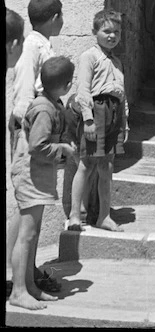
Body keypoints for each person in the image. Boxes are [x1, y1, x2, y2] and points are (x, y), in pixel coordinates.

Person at [7, 0, 64, 296]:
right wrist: (33, 131)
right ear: (55, 17)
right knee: (28, 208)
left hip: (37, 132)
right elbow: (23, 94)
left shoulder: (41, 43)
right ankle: (19, 282)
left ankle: (24, 277)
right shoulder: (31, 46)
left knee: (30, 209)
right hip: (30, 134)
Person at [9, 56, 77, 310]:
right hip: (30, 175)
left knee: (32, 233)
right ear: (67, 85)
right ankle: (18, 291)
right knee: (26, 236)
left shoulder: (48, 104)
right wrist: (62, 148)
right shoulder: (45, 109)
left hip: (37, 175)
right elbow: (38, 146)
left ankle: (29, 287)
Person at [67, 9, 128, 232]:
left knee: (107, 165)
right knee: (86, 163)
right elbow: (83, 90)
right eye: (107, 31)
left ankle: (104, 215)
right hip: (97, 110)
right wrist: (89, 120)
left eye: (116, 32)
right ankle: (75, 214)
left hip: (114, 113)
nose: (112, 36)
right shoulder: (89, 57)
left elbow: (122, 93)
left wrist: (124, 122)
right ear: (95, 32)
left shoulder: (117, 62)